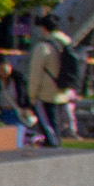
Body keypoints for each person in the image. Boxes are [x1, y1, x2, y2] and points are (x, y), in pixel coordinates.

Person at [25, 15, 75, 149]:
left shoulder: (43, 47)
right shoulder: (67, 44)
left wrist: (32, 95)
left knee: (49, 131)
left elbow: (35, 74)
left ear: (44, 28)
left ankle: (54, 153)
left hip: (46, 94)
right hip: (63, 92)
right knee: (56, 128)